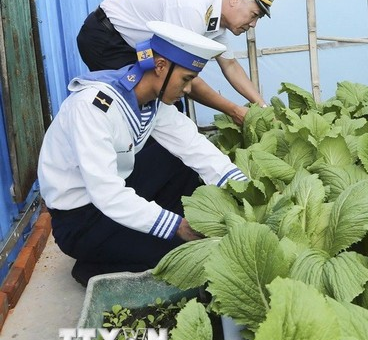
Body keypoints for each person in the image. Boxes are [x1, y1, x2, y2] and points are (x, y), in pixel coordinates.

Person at [39, 21, 250, 286]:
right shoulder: (92, 107)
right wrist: (177, 226)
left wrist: (247, 191)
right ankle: (94, 267)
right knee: (185, 256)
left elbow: (195, 146)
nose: (188, 90)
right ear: (160, 66)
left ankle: (141, 239)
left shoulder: (150, 101)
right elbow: (107, 193)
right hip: (81, 220)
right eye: (186, 79)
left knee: (179, 159)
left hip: (112, 195)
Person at [76, 0, 289, 125]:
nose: (253, 24)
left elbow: (231, 66)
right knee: (146, 107)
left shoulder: (215, 21)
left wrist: (262, 107)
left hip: (134, 46)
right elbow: (181, 74)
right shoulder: (193, 10)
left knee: (165, 103)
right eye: (254, 15)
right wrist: (233, 110)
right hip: (107, 38)